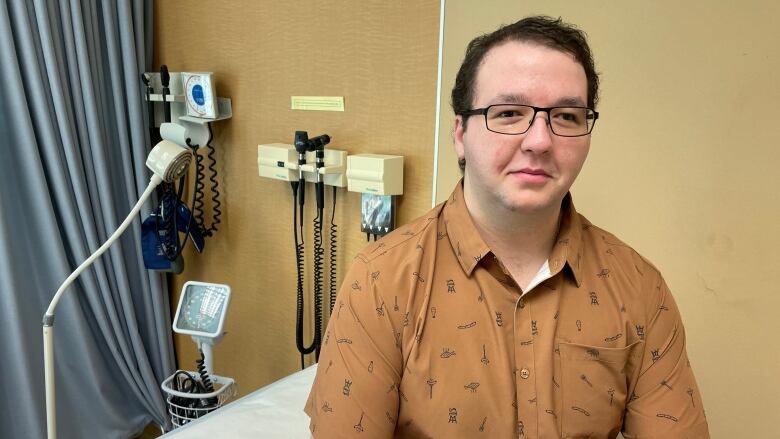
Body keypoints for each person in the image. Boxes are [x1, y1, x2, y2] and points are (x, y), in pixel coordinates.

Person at [305, 16, 709, 438]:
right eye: (510, 113)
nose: (539, 141)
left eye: (567, 116)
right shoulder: (380, 281)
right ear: (460, 133)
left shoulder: (639, 288)